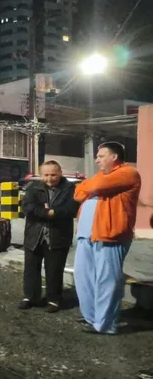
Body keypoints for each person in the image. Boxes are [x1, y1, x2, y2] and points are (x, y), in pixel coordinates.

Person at [73, 141, 142, 335]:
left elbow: (96, 185)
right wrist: (88, 185)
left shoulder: (128, 173)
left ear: (114, 157)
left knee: (107, 280)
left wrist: (89, 185)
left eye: (101, 156)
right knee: (83, 277)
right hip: (87, 234)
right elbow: (78, 193)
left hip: (111, 235)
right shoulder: (102, 177)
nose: (97, 160)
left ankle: (105, 324)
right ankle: (92, 316)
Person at [19, 160, 78, 312]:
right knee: (31, 268)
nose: (49, 178)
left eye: (53, 174)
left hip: (58, 235)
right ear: (41, 175)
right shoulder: (34, 188)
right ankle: (30, 297)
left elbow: (71, 209)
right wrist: (47, 212)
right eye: (46, 175)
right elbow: (28, 207)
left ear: (60, 173)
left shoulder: (70, 189)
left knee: (55, 270)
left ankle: (54, 300)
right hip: (34, 235)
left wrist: (53, 212)